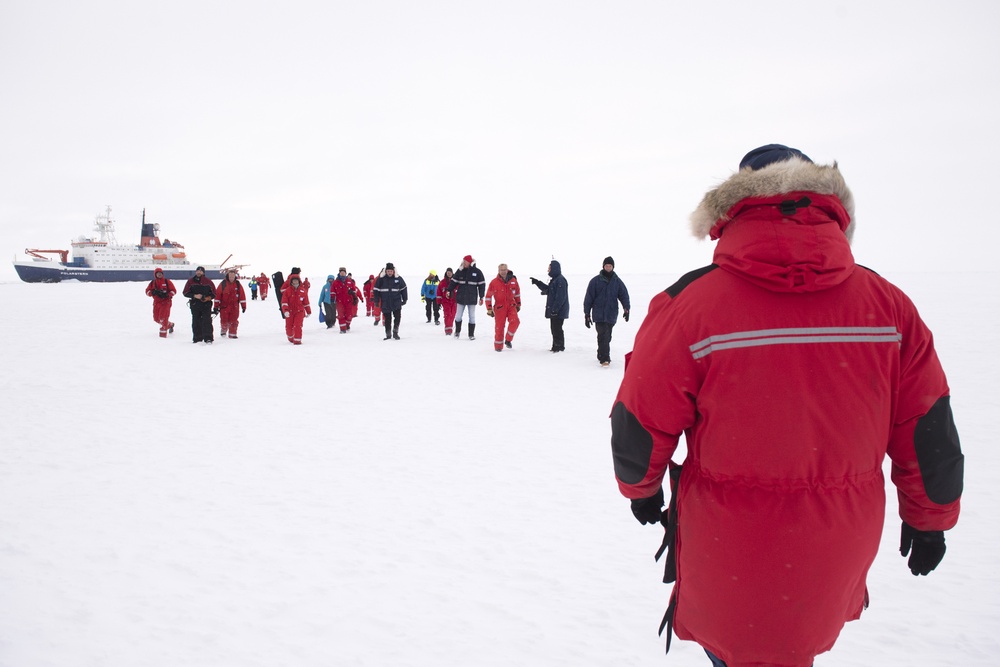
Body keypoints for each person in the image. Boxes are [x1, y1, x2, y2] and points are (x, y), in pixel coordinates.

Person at [610, 145, 964, 667]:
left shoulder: (691, 306)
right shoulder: (886, 306)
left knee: (743, 643)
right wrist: (930, 516)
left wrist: (641, 488)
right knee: (796, 641)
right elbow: (927, 425)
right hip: (836, 543)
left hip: (730, 545)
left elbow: (640, 417)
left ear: (735, 203)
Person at [583, 256, 631, 367]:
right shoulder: (595, 281)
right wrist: (587, 314)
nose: (608, 268)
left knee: (607, 336)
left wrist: (626, 309)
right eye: (606, 266)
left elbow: (624, 296)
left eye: (610, 266)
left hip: (611, 314)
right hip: (599, 313)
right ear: (603, 266)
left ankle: (601, 353)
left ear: (613, 267)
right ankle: (605, 359)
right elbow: (588, 298)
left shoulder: (617, 281)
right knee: (603, 335)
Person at [529, 259, 569, 352]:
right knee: (554, 328)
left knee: (557, 329)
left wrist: (555, 310)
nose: (548, 270)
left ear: (554, 268)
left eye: (549, 268)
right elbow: (549, 290)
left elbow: (560, 297)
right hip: (556, 310)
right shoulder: (555, 280)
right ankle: (556, 347)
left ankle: (559, 348)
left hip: (559, 311)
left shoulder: (560, 280)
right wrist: (538, 283)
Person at [485, 263, 521, 351]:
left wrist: (518, 304)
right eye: (501, 270)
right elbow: (488, 296)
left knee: (515, 322)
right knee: (499, 327)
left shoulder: (513, 281)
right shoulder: (494, 282)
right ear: (498, 271)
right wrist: (489, 308)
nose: (503, 271)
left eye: (505, 270)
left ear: (507, 270)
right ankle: (498, 347)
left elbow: (517, 293)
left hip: (511, 305)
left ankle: (508, 340)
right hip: (499, 307)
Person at [450, 254, 486, 340]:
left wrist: (481, 297)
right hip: (460, 297)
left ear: (470, 262)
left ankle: (471, 334)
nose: (464, 263)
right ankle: (457, 332)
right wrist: (449, 290)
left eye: (465, 261)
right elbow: (453, 282)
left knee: (472, 317)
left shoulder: (477, 272)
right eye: (464, 261)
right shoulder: (460, 271)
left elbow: (482, 285)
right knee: (458, 316)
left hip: (472, 298)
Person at [182, 266, 216, 344]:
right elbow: (185, 292)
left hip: (206, 304)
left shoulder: (208, 282)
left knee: (207, 321)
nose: (199, 272)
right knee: (196, 321)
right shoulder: (190, 281)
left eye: (201, 271)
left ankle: (208, 338)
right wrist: (194, 296)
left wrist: (208, 298)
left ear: (203, 273)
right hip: (195, 304)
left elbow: (214, 293)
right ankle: (197, 338)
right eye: (198, 271)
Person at [373, 262, 407, 340]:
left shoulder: (398, 279)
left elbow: (404, 289)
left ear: (393, 271)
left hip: (396, 302)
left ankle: (395, 332)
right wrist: (376, 301)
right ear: (386, 271)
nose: (389, 273)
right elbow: (376, 290)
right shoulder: (381, 279)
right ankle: (388, 334)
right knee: (387, 319)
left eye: (391, 271)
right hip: (385, 302)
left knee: (397, 317)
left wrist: (405, 299)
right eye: (388, 271)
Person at [214, 268, 247, 339]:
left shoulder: (238, 284)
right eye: (230, 276)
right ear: (228, 276)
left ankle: (232, 334)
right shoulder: (223, 284)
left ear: (235, 276)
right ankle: (223, 330)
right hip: (224, 306)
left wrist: (243, 306)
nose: (231, 278)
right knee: (224, 320)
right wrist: (216, 306)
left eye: (233, 276)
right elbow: (217, 296)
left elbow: (242, 296)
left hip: (235, 306)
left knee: (234, 320)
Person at [144, 267, 176, 338]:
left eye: (160, 273)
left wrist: (167, 294)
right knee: (156, 319)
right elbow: (147, 291)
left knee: (163, 318)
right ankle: (170, 325)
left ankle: (162, 337)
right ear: (155, 275)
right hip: (156, 303)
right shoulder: (152, 283)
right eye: (157, 273)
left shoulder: (167, 281)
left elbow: (174, 291)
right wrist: (153, 292)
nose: (159, 274)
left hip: (166, 302)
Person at [280, 273, 311, 344]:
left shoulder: (303, 291)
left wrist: (308, 311)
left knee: (297, 325)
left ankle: (297, 340)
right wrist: (285, 310)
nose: (295, 282)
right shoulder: (287, 291)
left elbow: (306, 302)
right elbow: (284, 302)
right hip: (289, 311)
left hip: (299, 311)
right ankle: (291, 337)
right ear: (291, 282)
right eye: (294, 281)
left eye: (296, 280)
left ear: (299, 281)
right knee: (289, 327)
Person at [330, 267, 361, 332]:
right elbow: (332, 291)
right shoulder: (335, 282)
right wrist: (332, 298)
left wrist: (355, 297)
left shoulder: (349, 282)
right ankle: (342, 329)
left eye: (343, 272)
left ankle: (347, 325)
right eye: (341, 272)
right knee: (341, 315)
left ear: (345, 273)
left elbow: (354, 290)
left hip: (348, 301)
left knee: (349, 315)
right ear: (339, 273)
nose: (342, 273)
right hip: (339, 302)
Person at [436, 267, 457, 336]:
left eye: (450, 273)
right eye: (448, 273)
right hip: (445, 301)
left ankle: (450, 327)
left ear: (452, 273)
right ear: (446, 273)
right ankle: (448, 330)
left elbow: (460, 291)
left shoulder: (456, 282)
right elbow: (439, 292)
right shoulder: (442, 282)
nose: (449, 274)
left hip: (454, 301)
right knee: (447, 315)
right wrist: (438, 302)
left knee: (452, 315)